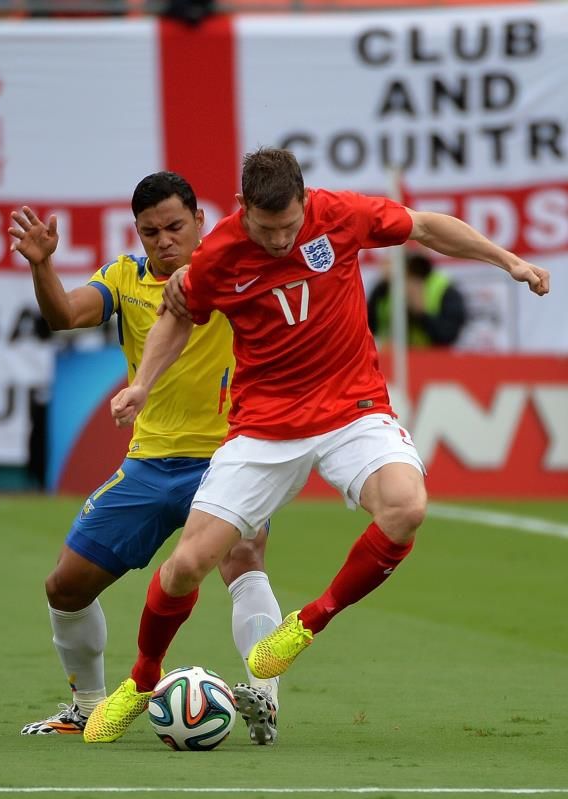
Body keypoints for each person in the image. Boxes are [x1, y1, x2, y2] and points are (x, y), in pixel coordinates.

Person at [83, 148, 549, 743]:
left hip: (352, 409)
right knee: (188, 565)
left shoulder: (341, 215)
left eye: (289, 226)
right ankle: (142, 679)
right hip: (263, 426)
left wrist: (508, 260)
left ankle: (306, 623)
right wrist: (142, 384)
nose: (280, 241)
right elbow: (178, 316)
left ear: (305, 200)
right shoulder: (219, 253)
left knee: (406, 507)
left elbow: (427, 227)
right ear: (242, 207)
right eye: (266, 228)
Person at [8, 171, 283, 745]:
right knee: (65, 586)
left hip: (228, 458)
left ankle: (264, 699)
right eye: (150, 232)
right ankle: (87, 707)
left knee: (244, 557)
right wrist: (42, 265)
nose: (164, 240)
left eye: (175, 226)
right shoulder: (124, 277)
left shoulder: (233, 268)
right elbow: (65, 315)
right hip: (149, 464)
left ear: (200, 221)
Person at [368, 252, 467, 347]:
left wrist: (422, 314)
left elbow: (448, 336)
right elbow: (368, 326)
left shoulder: (444, 289)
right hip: (391, 356)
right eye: (409, 274)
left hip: (431, 356)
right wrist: (382, 285)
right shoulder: (384, 288)